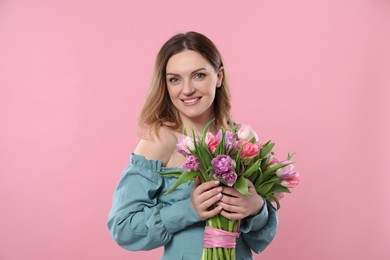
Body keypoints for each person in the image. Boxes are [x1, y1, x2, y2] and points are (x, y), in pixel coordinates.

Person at [107, 31, 278, 259]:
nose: (186, 89)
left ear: (218, 77)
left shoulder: (243, 139)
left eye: (198, 75)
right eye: (175, 79)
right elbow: (123, 227)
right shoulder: (160, 140)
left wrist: (256, 208)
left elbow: (260, 238)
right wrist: (188, 209)